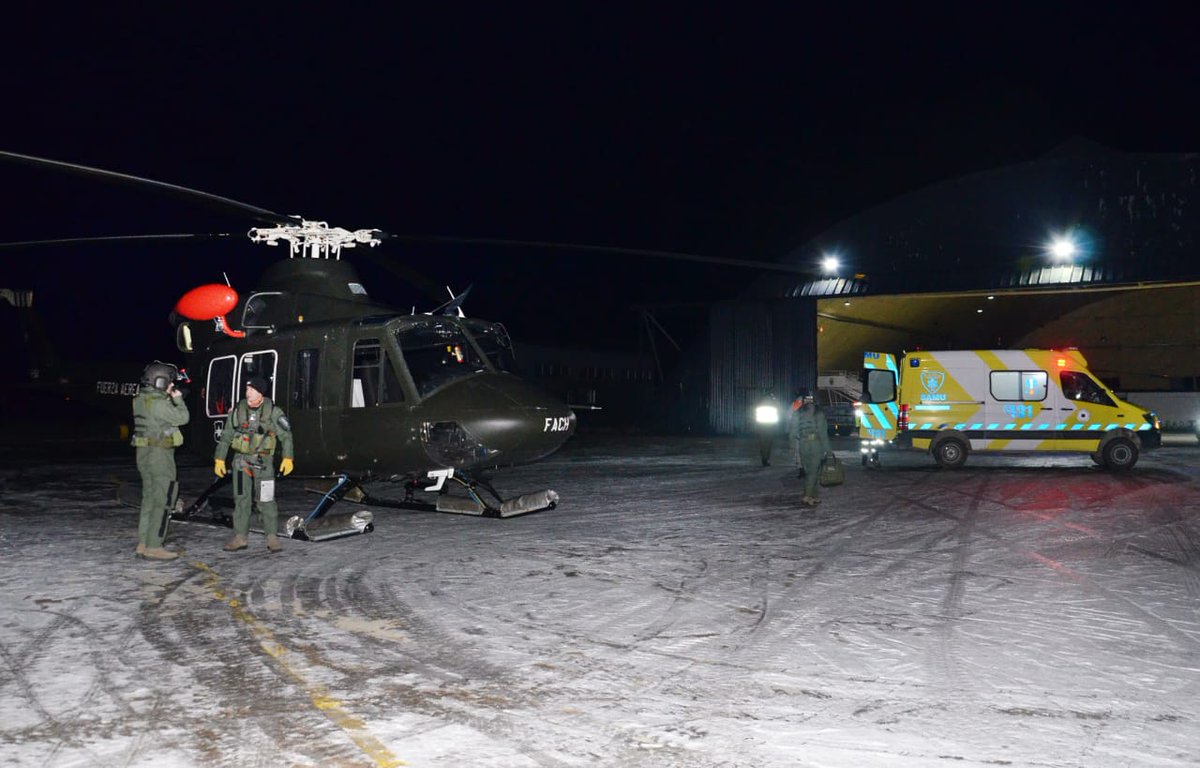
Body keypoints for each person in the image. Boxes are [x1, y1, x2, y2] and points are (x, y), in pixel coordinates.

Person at [213, 376, 294, 553]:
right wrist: (219, 458)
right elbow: (226, 436)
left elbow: (286, 436)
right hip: (241, 462)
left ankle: (272, 537)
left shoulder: (273, 411)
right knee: (241, 499)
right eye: (247, 389)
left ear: (260, 392)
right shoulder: (238, 410)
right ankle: (240, 537)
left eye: (251, 389)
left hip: (263, 463)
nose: (247, 392)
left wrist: (288, 457)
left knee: (266, 499)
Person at [131, 361, 190, 560]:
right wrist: (178, 399)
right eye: (169, 382)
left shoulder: (140, 400)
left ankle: (143, 542)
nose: (171, 386)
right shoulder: (159, 403)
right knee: (164, 499)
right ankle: (155, 545)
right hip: (160, 456)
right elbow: (183, 418)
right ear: (161, 381)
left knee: (149, 498)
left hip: (143, 453)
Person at [789, 388, 833, 507]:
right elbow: (823, 434)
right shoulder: (819, 413)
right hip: (815, 445)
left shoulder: (797, 412)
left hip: (803, 444)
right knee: (814, 471)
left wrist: (792, 446)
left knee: (809, 471)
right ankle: (807, 496)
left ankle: (814, 495)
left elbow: (792, 431)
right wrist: (828, 451)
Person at [754, 390, 781, 466]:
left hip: (762, 427)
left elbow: (755, 415)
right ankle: (766, 459)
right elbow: (779, 409)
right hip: (770, 426)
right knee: (768, 444)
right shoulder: (773, 404)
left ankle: (764, 458)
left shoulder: (760, 404)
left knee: (763, 444)